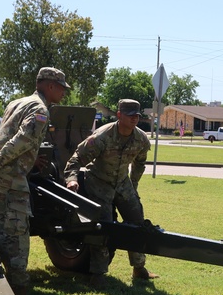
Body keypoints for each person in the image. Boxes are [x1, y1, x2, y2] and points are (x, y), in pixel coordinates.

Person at [0, 66, 70, 295]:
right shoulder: (40, 109)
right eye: (61, 88)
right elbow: (23, 139)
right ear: (49, 85)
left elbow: (5, 136)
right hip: (7, 178)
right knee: (15, 237)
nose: (64, 93)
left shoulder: (17, 102)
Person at [64, 99, 158, 285]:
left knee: (137, 221)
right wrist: (72, 179)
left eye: (137, 116)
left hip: (123, 183)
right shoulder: (102, 137)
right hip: (98, 182)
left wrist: (134, 185)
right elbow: (76, 159)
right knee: (103, 226)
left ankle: (139, 268)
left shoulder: (141, 139)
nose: (134, 119)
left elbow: (140, 163)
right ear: (119, 115)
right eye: (130, 115)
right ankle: (98, 274)